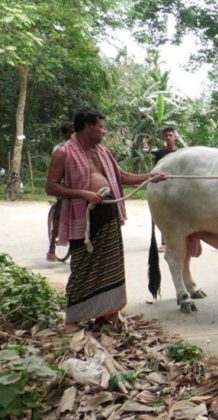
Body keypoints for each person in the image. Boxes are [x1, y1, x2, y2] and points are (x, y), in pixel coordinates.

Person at [45, 108, 166, 332]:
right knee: (82, 267)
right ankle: (73, 319)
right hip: (85, 218)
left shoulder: (102, 151)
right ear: (88, 127)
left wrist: (150, 177)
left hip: (108, 215)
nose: (104, 131)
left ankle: (104, 315)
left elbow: (122, 177)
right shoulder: (64, 152)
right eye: (101, 127)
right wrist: (84, 194)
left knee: (110, 267)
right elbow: (50, 186)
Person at [47, 122, 75, 261]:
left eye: (73, 132)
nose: (71, 135)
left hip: (76, 184)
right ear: (64, 135)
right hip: (63, 184)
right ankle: (52, 247)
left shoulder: (80, 147)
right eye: (69, 133)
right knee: (59, 213)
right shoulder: (59, 149)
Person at [154, 127, 180, 252]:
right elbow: (156, 170)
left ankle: (180, 241)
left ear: (175, 137)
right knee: (163, 215)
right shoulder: (159, 154)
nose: (168, 138)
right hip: (164, 187)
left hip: (178, 188)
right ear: (163, 138)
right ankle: (164, 242)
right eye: (166, 136)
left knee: (179, 215)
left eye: (170, 135)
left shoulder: (181, 153)